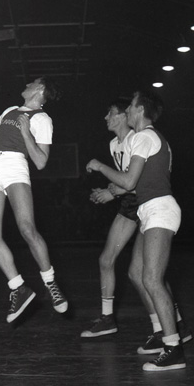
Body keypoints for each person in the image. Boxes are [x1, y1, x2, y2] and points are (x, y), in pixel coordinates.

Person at [86, 90, 187, 371]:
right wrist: (112, 189)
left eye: (131, 106)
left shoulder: (144, 137)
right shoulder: (144, 138)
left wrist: (100, 166)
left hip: (159, 210)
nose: (128, 110)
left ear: (140, 110)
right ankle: (163, 332)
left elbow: (129, 182)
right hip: (147, 211)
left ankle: (173, 346)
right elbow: (132, 183)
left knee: (152, 279)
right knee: (136, 274)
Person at [0, 76, 68, 324]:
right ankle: (18, 287)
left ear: (40, 89)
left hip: (15, 166)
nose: (26, 84)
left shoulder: (42, 119)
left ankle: (50, 283)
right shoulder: (10, 110)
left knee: (27, 228)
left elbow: (40, 162)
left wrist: (25, 132)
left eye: (32, 83)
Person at [80, 98, 138, 337]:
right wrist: (109, 191)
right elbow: (125, 180)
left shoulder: (137, 139)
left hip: (147, 203)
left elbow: (139, 181)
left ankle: (174, 322)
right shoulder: (115, 144)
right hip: (130, 204)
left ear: (124, 116)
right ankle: (107, 318)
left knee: (147, 274)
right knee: (106, 260)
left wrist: (111, 192)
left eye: (111, 113)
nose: (106, 117)